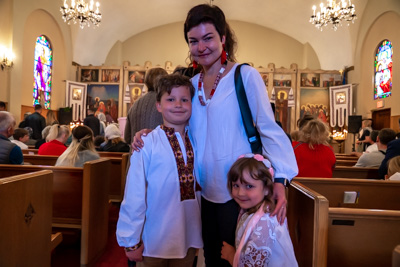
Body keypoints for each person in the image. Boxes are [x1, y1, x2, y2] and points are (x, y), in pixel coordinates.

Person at [133, 4, 298, 266]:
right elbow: (182, 126)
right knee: (212, 260)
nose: (201, 47)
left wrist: (280, 180)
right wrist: (149, 133)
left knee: (237, 261)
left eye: (208, 38)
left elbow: (269, 128)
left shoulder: (244, 76)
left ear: (222, 38)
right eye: (193, 41)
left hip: (238, 193)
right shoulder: (193, 83)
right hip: (203, 195)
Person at [117, 74, 202, 266]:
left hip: (189, 237)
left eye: (184, 99)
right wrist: (130, 240)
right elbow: (134, 193)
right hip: (154, 239)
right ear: (158, 105)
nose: (178, 104)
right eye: (170, 99)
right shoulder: (147, 143)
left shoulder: (198, 141)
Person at [221, 154, 298, 267]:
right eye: (236, 185)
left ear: (267, 189)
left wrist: (231, 255)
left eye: (249, 186)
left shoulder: (265, 221)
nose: (240, 193)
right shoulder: (250, 210)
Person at [124, 67, 168, 145]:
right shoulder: (165, 103)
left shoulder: (134, 105)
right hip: (157, 154)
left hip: (136, 153)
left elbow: (127, 138)